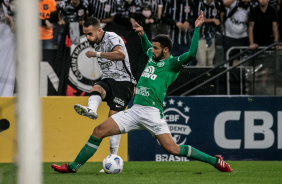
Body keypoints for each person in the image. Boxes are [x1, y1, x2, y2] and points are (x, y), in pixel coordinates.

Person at [51, 11, 232, 173]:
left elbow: (192, 53)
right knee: (98, 130)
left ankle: (215, 161)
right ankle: (72, 167)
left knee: (173, 149)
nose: (151, 51)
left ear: (166, 50)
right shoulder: (153, 57)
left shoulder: (172, 64)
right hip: (135, 110)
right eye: (152, 48)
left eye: (156, 48)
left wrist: (197, 28)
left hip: (152, 113)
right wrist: (142, 34)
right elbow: (146, 46)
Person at [66, 17, 136, 171]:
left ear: (99, 30)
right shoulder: (97, 41)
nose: (88, 38)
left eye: (90, 34)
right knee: (96, 88)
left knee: (113, 121)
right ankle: (92, 110)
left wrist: (97, 54)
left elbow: (120, 55)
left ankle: (113, 158)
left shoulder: (112, 37)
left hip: (124, 83)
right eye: (85, 35)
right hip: (108, 80)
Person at [195, 0, 225, 66]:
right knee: (202, 61)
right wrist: (213, 20)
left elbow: (221, 17)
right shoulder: (200, 4)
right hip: (200, 37)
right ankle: (200, 76)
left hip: (212, 36)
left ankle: (209, 76)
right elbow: (198, 19)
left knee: (210, 62)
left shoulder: (217, 4)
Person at [223, 0, 250, 66]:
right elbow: (225, 3)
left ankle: (238, 75)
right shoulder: (234, 3)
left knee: (240, 61)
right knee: (228, 61)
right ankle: (229, 75)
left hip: (243, 37)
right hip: (229, 36)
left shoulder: (251, 6)